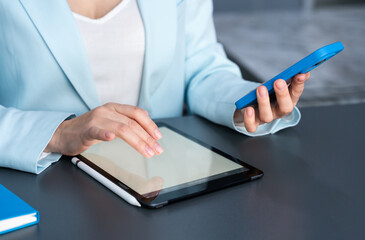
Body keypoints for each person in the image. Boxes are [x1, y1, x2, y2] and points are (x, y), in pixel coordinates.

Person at [0, 0, 310, 174]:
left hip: (164, 179)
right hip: (45, 180)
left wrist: (247, 104)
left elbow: (202, 67)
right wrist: (57, 133)